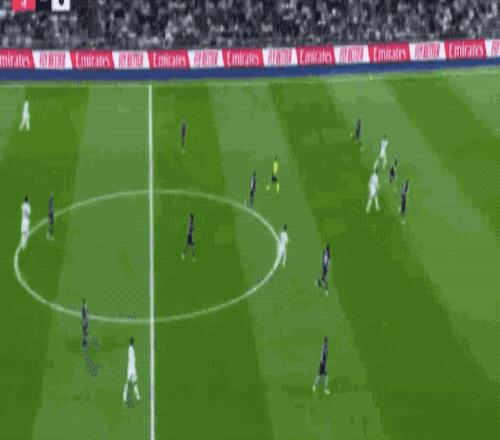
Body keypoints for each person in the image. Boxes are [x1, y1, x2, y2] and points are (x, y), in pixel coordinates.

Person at [123, 337, 141, 403]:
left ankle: (138, 397)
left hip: (132, 368)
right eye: (133, 342)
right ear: (132, 342)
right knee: (129, 382)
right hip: (131, 369)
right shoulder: (130, 349)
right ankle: (125, 396)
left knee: (134, 383)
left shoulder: (131, 348)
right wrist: (131, 371)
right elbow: (131, 360)